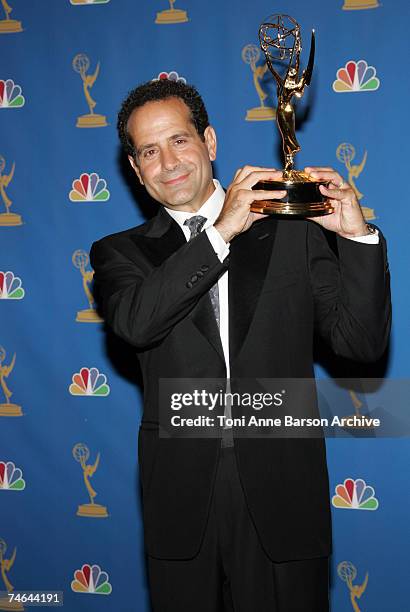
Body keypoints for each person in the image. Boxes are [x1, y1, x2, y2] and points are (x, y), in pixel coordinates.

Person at [90, 79, 391, 612]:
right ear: (135, 170)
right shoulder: (121, 254)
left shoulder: (289, 229)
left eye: (179, 141)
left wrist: (356, 237)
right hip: (182, 500)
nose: (168, 162)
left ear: (209, 141)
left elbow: (362, 344)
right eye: (149, 151)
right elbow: (137, 324)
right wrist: (220, 232)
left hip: (284, 491)